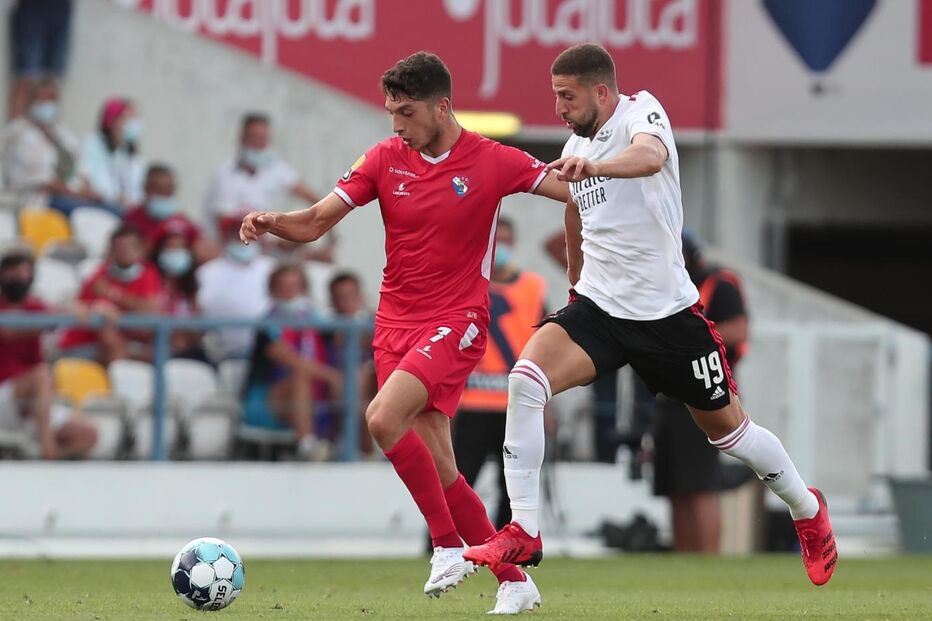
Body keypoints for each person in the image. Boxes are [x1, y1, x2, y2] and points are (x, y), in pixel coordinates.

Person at [464, 43, 837, 588]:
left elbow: (650, 158)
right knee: (525, 380)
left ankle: (808, 511)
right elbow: (574, 215)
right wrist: (575, 286)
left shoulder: (642, 113)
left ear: (601, 91)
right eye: (555, 97)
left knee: (731, 434)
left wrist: (593, 166)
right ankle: (524, 527)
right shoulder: (576, 148)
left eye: (567, 97)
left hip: (667, 317)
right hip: (599, 310)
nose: (560, 109)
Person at [240, 51, 567, 613]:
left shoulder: (492, 161)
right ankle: (514, 581)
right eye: (391, 112)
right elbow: (317, 221)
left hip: (456, 319)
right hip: (393, 323)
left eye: (407, 113)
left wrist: (616, 191)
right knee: (441, 463)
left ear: (442, 106)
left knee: (381, 418)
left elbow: (575, 192)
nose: (397, 125)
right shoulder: (384, 158)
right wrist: (274, 221)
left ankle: (444, 546)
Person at [652, 230, 750, 553]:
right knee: (676, 486)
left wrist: (685, 343)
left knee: (700, 485)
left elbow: (738, 328)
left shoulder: (718, 282)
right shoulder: (666, 287)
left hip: (704, 388)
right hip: (669, 394)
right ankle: (684, 559)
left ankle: (707, 559)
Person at [455, 217, 547, 530]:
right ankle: (445, 545)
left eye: (506, 240)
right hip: (473, 402)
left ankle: (505, 548)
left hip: (516, 404)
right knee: (459, 480)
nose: (501, 247)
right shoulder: (467, 282)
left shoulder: (533, 288)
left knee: (513, 490)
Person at [0, 250, 97, 459]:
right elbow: (11, 330)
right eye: (13, 273)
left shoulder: (36, 306)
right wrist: (59, 314)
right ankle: (48, 452)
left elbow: (62, 312)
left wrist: (99, 307)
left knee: (88, 435)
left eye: (25, 273)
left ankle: (37, 454)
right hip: (5, 395)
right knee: (42, 373)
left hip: (34, 404)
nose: (19, 278)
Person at [202, 113, 334, 262]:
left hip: (262, 249)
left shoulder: (275, 168)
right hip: (229, 252)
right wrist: (276, 240)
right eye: (254, 138)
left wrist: (328, 238)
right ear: (242, 138)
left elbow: (315, 199)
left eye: (263, 138)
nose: (259, 144)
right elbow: (225, 225)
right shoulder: (225, 175)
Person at [242, 263, 342, 460]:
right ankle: (307, 445)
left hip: (318, 388)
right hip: (272, 396)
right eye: (284, 287)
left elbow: (342, 342)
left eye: (295, 286)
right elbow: (291, 360)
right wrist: (331, 376)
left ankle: (361, 448)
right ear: (273, 290)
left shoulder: (317, 320)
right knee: (301, 376)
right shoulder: (266, 325)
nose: (290, 292)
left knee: (358, 376)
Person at [1, 79, 122, 216]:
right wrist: (75, 194)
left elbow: (82, 167)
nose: (49, 105)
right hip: (41, 199)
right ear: (31, 102)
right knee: (91, 212)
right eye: (43, 100)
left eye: (53, 100)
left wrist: (88, 190)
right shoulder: (18, 134)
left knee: (115, 210)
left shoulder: (63, 134)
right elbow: (44, 180)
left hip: (74, 195)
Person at [59, 226, 164, 364]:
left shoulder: (148, 272)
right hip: (83, 345)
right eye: (120, 248)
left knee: (160, 354)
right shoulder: (99, 276)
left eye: (130, 247)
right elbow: (85, 311)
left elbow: (152, 310)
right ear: (111, 251)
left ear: (141, 250)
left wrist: (113, 294)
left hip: (128, 344)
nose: (125, 252)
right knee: (110, 337)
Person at [196, 217, 274, 359]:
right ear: (226, 238)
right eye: (238, 233)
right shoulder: (207, 272)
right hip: (219, 352)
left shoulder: (272, 268)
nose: (245, 238)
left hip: (267, 353)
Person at [124, 164, 215, 262]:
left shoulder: (181, 220)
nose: (164, 194)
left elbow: (207, 251)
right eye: (159, 189)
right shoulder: (132, 219)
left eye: (169, 189)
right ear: (146, 188)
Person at [152, 222, 209, 363]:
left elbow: (199, 328)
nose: (176, 253)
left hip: (187, 353)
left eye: (181, 248)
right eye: (170, 248)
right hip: (155, 351)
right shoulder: (151, 282)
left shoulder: (195, 287)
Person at [8, 0, 73, 120]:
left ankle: (47, 132)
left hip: (62, 8)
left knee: (53, 80)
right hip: (32, 7)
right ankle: (17, 133)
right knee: (27, 77)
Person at [80, 97, 146, 210]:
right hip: (100, 205)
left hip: (124, 205)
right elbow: (95, 182)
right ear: (112, 120)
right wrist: (118, 198)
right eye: (129, 118)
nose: (134, 123)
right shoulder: (93, 143)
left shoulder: (124, 150)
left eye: (136, 118)